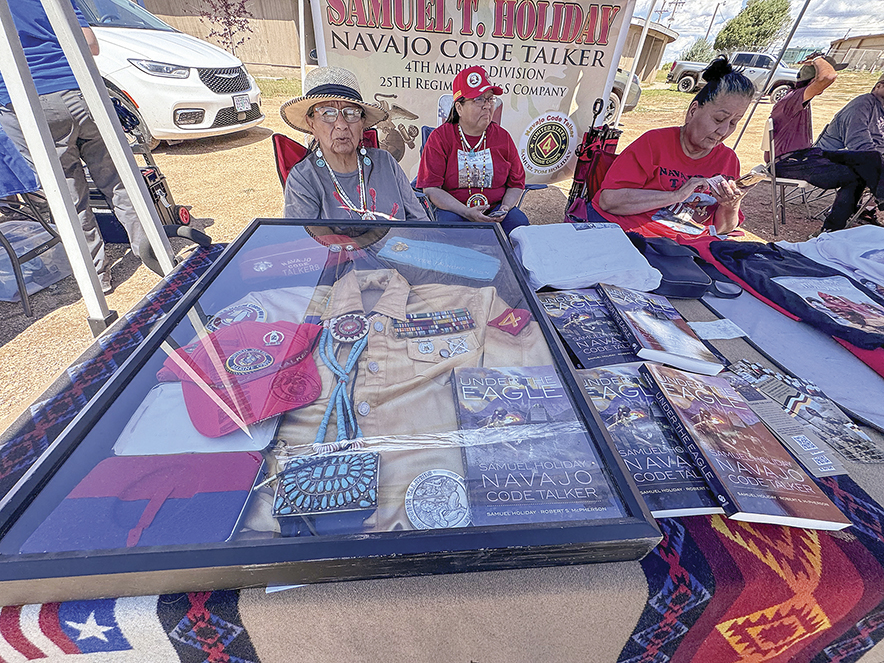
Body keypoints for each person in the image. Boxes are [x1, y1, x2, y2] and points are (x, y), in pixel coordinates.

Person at [0, 0, 164, 293]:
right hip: (82, 91)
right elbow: (89, 43)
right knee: (119, 179)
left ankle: (97, 278)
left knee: (68, 197)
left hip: (29, 100)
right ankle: (155, 253)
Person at [591, 56, 753, 242]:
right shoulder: (653, 144)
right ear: (693, 111)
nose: (724, 131)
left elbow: (722, 230)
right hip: (637, 239)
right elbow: (609, 201)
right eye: (718, 119)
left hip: (689, 248)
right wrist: (677, 195)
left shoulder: (728, 160)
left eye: (734, 122)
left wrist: (731, 205)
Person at [281, 67, 428, 222]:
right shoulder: (303, 178)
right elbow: (305, 242)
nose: (341, 124)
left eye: (351, 113)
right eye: (328, 113)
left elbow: (420, 221)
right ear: (312, 125)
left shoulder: (385, 162)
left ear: (362, 124)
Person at [770, 55, 884, 233]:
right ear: (813, 80)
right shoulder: (795, 98)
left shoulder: (796, 98)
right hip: (789, 162)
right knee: (857, 173)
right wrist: (817, 59)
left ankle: (877, 202)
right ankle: (831, 230)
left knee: (867, 159)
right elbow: (828, 77)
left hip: (806, 155)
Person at [416, 66, 528, 235]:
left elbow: (516, 183)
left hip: (496, 209)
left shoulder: (502, 137)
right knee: (451, 231)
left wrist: (504, 208)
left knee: (520, 227)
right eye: (478, 99)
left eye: (490, 99)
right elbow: (431, 189)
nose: (487, 106)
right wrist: (466, 211)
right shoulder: (440, 138)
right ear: (459, 108)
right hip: (454, 210)